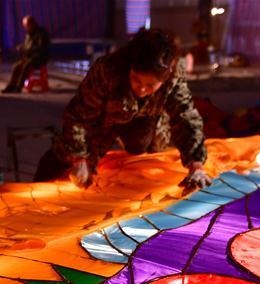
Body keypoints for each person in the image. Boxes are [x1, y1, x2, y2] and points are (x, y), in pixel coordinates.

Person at [34, 29, 211, 193]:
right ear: (130, 66)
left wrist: (196, 165)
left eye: (150, 85)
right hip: (102, 119)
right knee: (61, 159)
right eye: (136, 80)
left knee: (142, 148)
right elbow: (78, 117)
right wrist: (79, 157)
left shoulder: (173, 77)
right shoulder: (107, 70)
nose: (141, 89)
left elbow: (185, 116)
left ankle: (141, 140)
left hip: (144, 119)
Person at [3, 15, 50, 93]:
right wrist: (21, 47)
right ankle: (11, 86)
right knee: (16, 66)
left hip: (39, 58)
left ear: (32, 24)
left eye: (26, 26)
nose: (25, 28)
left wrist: (26, 49)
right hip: (29, 58)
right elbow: (27, 45)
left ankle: (18, 88)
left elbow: (41, 48)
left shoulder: (42, 33)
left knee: (26, 66)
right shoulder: (29, 34)